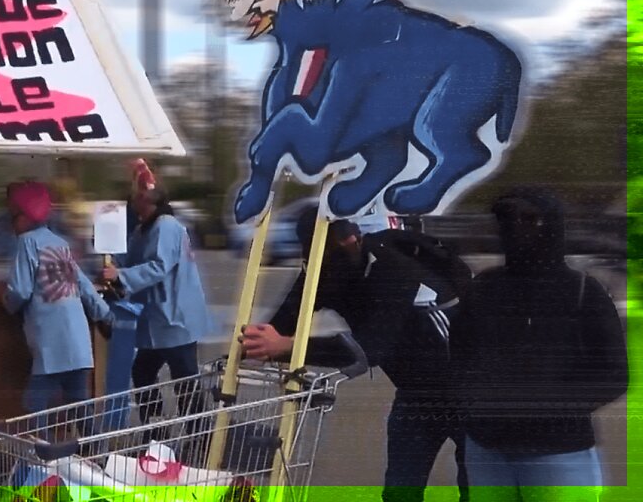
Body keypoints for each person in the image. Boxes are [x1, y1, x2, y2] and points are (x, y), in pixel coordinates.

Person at [242, 206, 473, 502]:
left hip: (465, 393)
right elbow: (284, 322)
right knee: (400, 492)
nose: (350, 242)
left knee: (475, 487)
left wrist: (285, 347)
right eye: (335, 243)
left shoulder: (393, 268)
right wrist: (254, 341)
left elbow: (367, 350)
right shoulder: (321, 271)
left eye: (350, 237)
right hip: (414, 394)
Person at [454, 190, 627, 502]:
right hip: (487, 448)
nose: (516, 227)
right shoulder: (482, 288)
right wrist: (475, 404)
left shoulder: (584, 291)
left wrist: (540, 407)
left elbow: (613, 375)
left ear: (551, 225)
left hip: (559, 451)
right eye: (507, 219)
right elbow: (460, 357)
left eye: (529, 219)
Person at [3, 181, 112, 423]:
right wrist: (104, 314)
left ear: (23, 217)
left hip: (51, 345)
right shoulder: (61, 244)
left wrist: (7, 304)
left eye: (13, 215)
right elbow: (83, 284)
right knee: (81, 409)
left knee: (35, 405)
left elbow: (19, 291)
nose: (11, 224)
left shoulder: (27, 242)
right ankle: (98, 456)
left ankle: (40, 457)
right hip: (78, 343)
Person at [101, 185, 211, 425]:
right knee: (144, 372)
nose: (132, 201)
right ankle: (156, 426)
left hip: (173, 317)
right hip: (159, 319)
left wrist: (120, 275)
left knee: (184, 379)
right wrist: (111, 261)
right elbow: (131, 259)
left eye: (136, 197)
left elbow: (159, 265)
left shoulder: (165, 226)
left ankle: (199, 435)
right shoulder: (145, 229)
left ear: (147, 201)